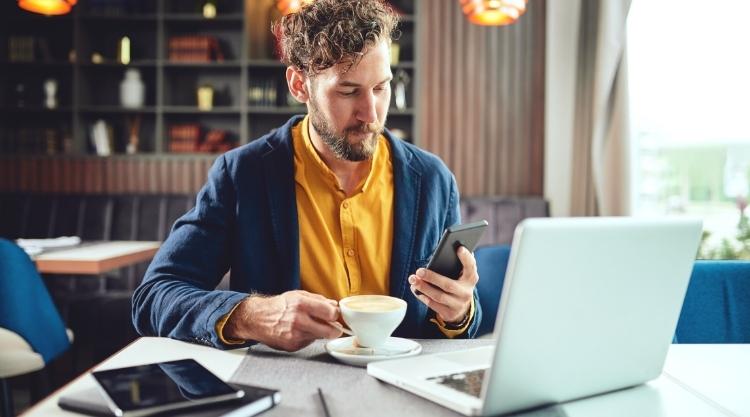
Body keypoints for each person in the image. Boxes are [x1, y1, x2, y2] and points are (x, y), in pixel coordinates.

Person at [131, 0, 482, 352]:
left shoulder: (433, 179)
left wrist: (460, 311)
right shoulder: (243, 175)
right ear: (299, 85)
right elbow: (154, 296)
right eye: (348, 91)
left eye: (381, 87)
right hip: (287, 390)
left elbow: (458, 317)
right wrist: (252, 315)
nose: (370, 114)